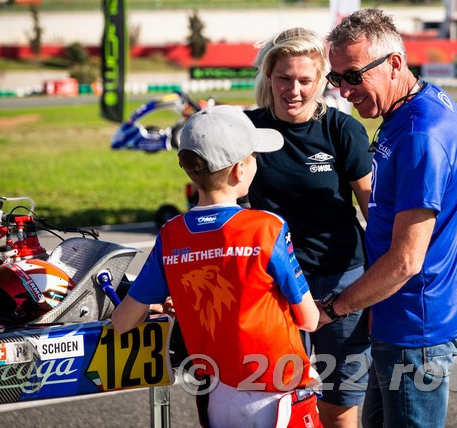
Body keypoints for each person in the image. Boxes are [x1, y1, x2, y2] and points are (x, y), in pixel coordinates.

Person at [319, 8, 457, 427]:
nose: (344, 91)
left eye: (352, 76)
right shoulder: (427, 101)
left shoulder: (420, 134)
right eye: (336, 78)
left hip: (413, 329)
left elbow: (405, 262)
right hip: (405, 317)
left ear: (394, 63)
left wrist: (335, 308)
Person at [112, 105, 322, 428]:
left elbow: (123, 321)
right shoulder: (267, 227)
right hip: (277, 391)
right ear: (240, 170)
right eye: (253, 156)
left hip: (217, 396)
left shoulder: (170, 235)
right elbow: (309, 318)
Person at [244, 27, 373, 428]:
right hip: (276, 287)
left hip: (342, 281)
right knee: (280, 402)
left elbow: (374, 210)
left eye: (305, 80)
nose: (294, 89)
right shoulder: (247, 132)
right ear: (269, 77)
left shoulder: (341, 130)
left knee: (339, 406)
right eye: (284, 78)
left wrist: (387, 281)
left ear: (321, 81)